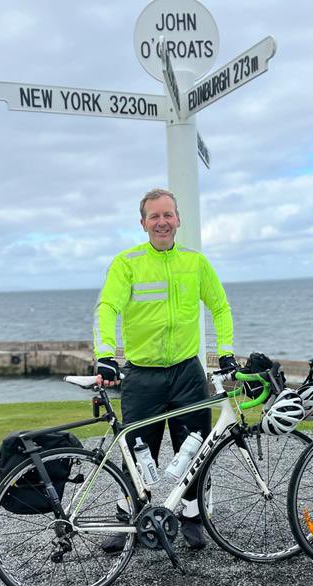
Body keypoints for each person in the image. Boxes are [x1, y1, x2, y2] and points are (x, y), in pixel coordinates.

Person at [93, 188, 236, 552]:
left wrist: (227, 353)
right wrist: (105, 354)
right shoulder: (127, 263)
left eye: (167, 215)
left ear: (178, 220)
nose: (162, 222)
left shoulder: (196, 262)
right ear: (143, 223)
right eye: (154, 216)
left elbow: (220, 307)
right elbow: (106, 308)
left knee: (194, 448)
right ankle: (128, 520)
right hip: (142, 375)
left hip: (188, 372)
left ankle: (190, 517)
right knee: (138, 450)